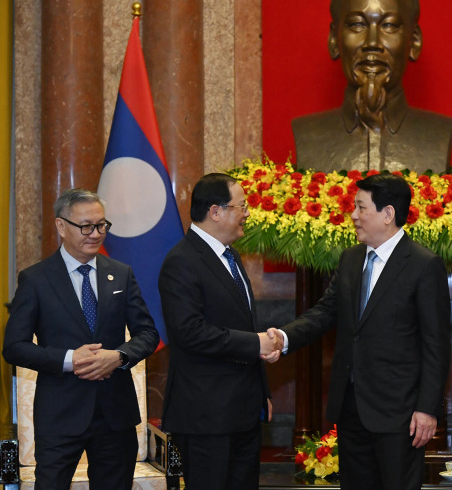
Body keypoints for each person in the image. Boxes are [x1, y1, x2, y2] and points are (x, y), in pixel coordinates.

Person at [268, 173, 451, 490]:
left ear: (388, 213)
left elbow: (436, 345)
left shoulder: (423, 264)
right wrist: (284, 338)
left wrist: (426, 409)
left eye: (361, 207)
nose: (353, 215)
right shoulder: (351, 259)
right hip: (351, 406)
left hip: (400, 412)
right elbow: (325, 311)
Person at [3, 188, 159, 490]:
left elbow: (148, 333)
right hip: (61, 414)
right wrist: (68, 359)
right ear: (61, 226)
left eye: (102, 225)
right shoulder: (35, 279)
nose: (96, 233)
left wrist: (119, 357)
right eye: (86, 226)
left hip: (115, 415)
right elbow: (14, 347)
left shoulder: (121, 273)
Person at [158, 173, 279, 490]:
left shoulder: (230, 256)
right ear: (215, 211)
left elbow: (243, 324)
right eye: (241, 205)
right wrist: (256, 343)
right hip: (205, 415)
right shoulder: (181, 261)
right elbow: (189, 332)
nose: (247, 213)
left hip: (243, 410)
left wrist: (261, 391)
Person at [292, 0, 452, 174]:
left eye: (389, 26)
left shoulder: (439, 133)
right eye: (357, 24)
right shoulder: (308, 134)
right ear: (334, 40)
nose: (372, 42)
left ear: (414, 41)